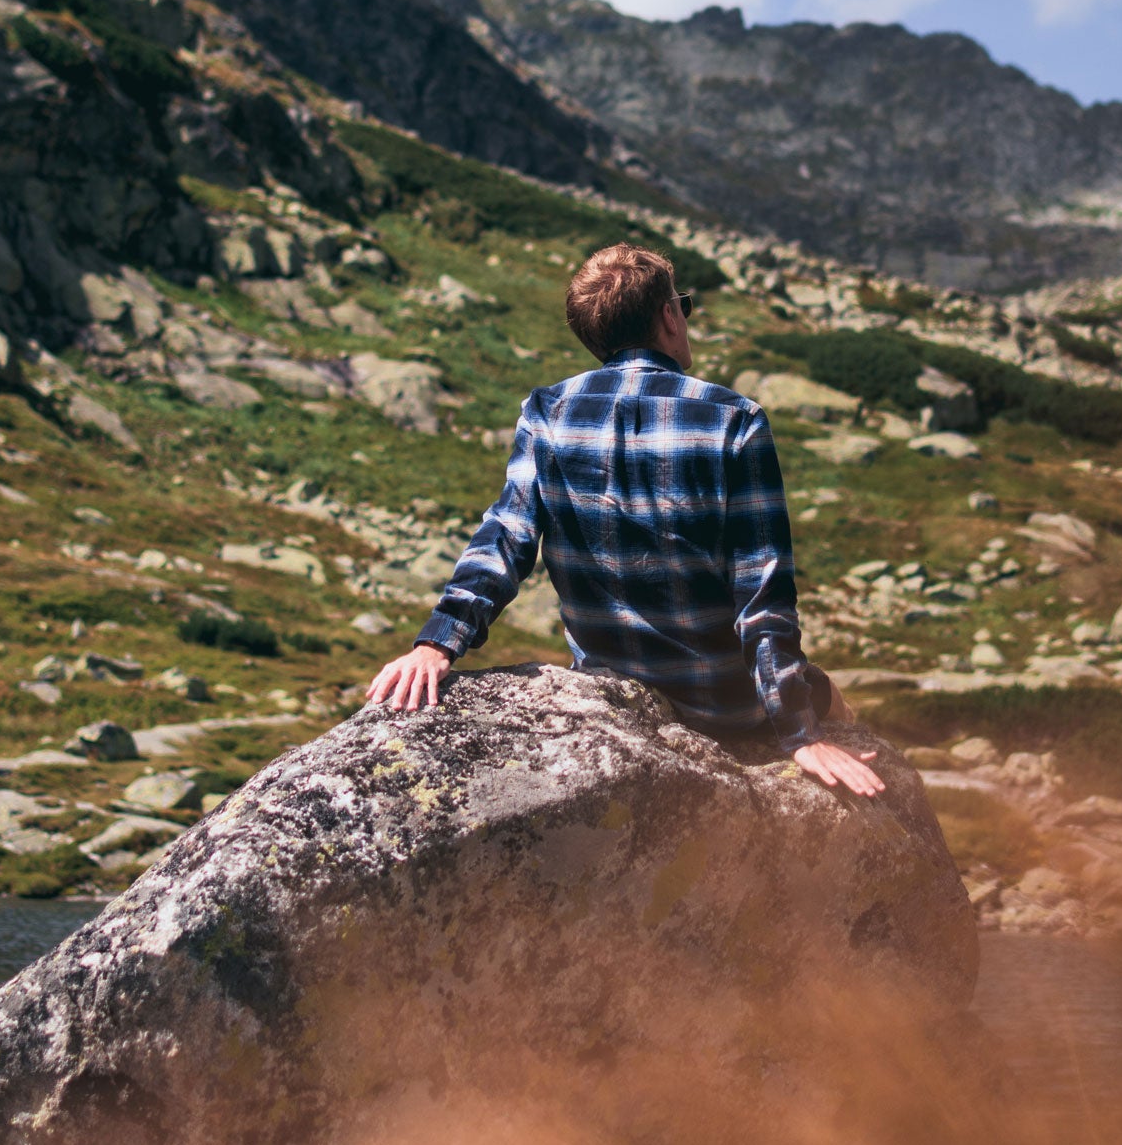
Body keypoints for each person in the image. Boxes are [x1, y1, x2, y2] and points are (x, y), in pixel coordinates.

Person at [368, 242, 885, 797]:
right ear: (667, 316)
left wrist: (437, 643)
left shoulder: (547, 412)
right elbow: (762, 593)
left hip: (613, 696)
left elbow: (506, 538)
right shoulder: (735, 420)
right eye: (680, 305)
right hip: (726, 707)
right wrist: (801, 733)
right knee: (834, 699)